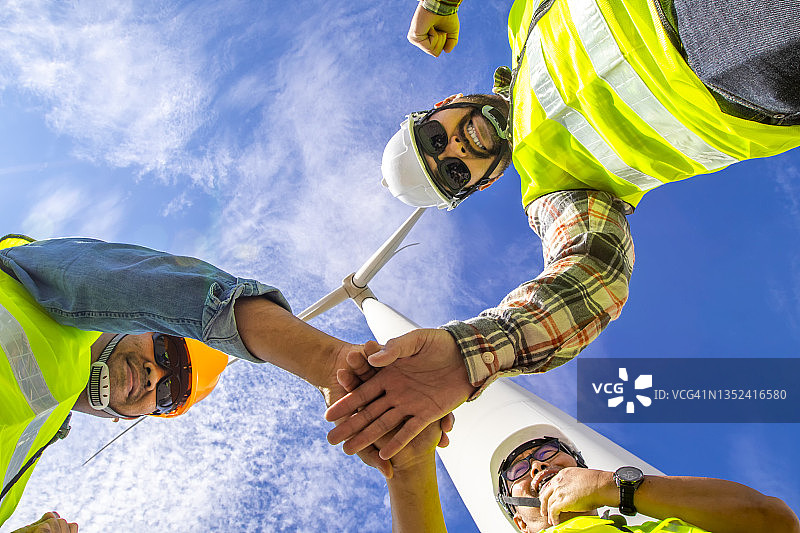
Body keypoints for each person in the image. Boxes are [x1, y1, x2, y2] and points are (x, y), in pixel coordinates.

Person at [324, 0, 800, 459]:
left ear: (442, 105)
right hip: (727, 61)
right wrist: (471, 354)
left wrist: (441, 4)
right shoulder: (551, 188)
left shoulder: (523, 21)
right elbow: (593, 275)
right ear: (482, 184)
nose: (455, 149)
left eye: (433, 137)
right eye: (453, 172)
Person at [0, 233, 416, 532]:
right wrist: (331, 364)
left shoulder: (29, 455)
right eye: (165, 351)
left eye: (168, 392)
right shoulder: (29, 274)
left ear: (126, 419)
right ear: (138, 322)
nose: (155, 375)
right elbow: (162, 289)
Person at [339, 349, 800, 533]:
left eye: (548, 454)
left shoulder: (666, 522)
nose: (539, 467)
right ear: (519, 523)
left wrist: (616, 487)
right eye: (520, 471)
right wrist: (409, 465)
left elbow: (774, 521)